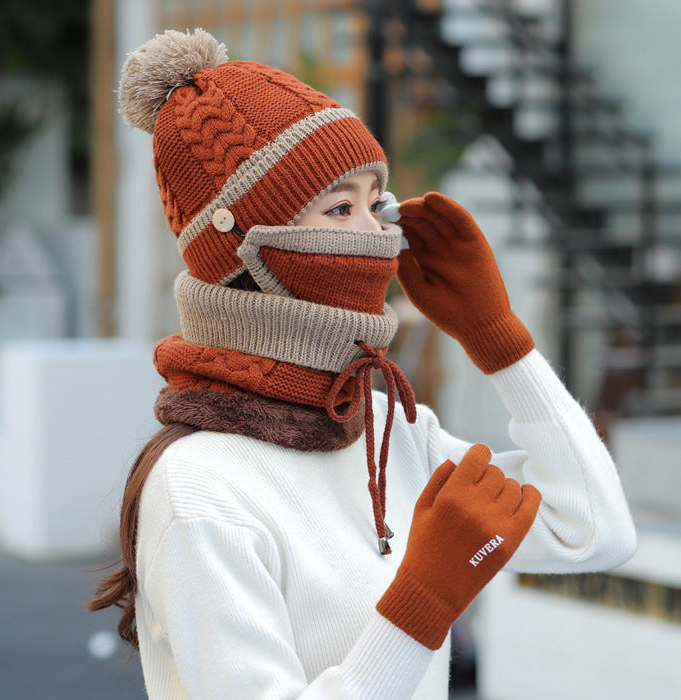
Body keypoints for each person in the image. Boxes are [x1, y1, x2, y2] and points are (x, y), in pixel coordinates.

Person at [89, 28, 636, 699]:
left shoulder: (388, 429)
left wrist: (501, 342)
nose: (381, 234)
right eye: (340, 207)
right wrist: (421, 605)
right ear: (247, 249)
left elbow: (592, 532)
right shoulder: (201, 487)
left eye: (375, 202)